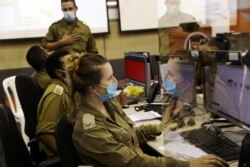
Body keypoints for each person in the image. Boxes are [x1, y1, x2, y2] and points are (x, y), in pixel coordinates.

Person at [68, 53, 227, 167]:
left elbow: (126, 137)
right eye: (109, 78)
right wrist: (188, 164)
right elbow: (132, 162)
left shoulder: (108, 103)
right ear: (94, 88)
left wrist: (157, 128)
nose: (115, 81)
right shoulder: (90, 130)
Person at [36, 49, 72, 158]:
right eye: (70, 63)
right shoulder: (56, 95)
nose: (76, 65)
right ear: (59, 73)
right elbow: (44, 133)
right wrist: (68, 158)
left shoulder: (69, 88)